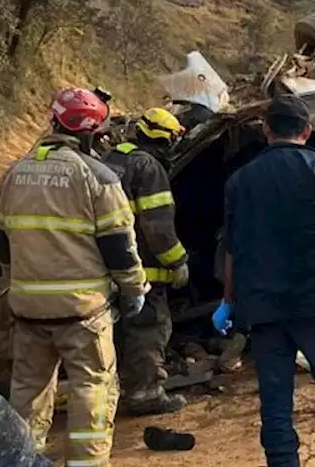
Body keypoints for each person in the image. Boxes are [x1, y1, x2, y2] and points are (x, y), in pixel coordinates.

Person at [214, 93, 315, 467]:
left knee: (275, 403)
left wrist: (228, 300)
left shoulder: (239, 181)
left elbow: (232, 249)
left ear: (265, 130)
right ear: (307, 131)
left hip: (262, 308)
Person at [0, 87, 148, 466]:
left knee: (27, 391)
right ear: (92, 131)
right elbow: (118, 248)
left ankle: (23, 459)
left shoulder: (14, 173)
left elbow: (0, 240)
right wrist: (133, 289)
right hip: (83, 313)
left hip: (27, 310)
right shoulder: (97, 177)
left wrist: (21, 281)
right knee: (92, 388)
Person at [102, 107, 190, 416]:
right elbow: (158, 228)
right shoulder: (149, 168)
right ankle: (145, 394)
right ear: (165, 141)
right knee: (150, 328)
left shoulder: (111, 160)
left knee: (122, 331)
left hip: (108, 267)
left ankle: (123, 387)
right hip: (144, 269)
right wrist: (178, 261)